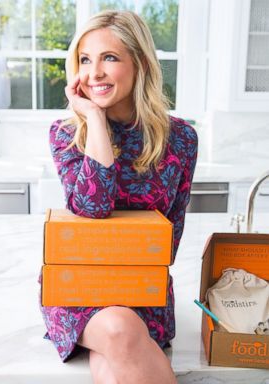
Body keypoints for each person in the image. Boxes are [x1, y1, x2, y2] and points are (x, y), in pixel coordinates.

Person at [39, 9, 197, 384]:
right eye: (84, 59)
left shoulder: (181, 139)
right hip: (79, 292)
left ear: (139, 63)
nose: (94, 73)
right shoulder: (66, 133)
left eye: (109, 58)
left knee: (114, 355)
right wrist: (93, 119)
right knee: (119, 330)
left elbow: (168, 240)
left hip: (143, 292)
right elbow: (91, 209)